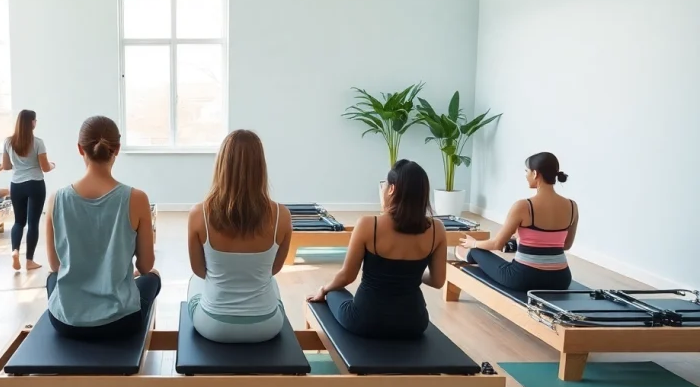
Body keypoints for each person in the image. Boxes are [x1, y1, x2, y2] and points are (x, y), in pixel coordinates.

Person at [43, 115, 160, 339]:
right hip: (119, 322)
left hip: (66, 322)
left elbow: (56, 266)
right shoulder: (137, 198)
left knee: (51, 278)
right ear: (117, 148)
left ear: (80, 149)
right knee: (153, 277)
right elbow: (145, 266)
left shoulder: (56, 199)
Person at [307, 160, 447, 339]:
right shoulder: (437, 229)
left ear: (392, 189)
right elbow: (437, 281)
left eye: (385, 185)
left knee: (333, 291)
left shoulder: (368, 224)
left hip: (365, 320)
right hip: (414, 322)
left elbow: (347, 276)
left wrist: (323, 289)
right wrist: (407, 274)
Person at [186, 130, 292, 344]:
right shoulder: (282, 215)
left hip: (213, 326)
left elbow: (199, 271)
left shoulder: (199, 214)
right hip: (266, 326)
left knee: (194, 284)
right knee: (272, 285)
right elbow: (274, 269)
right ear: (260, 167)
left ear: (221, 165)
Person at [456, 152, 577, 291]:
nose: (526, 176)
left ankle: (468, 255)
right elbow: (566, 245)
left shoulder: (524, 206)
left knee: (477, 251)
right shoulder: (572, 206)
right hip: (561, 279)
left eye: (527, 171)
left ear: (535, 174)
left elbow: (496, 244)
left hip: (524, 279)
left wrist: (474, 243)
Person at [2, 110, 55, 272]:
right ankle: (29, 261)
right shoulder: (38, 142)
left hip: (16, 184)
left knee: (18, 221)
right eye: (35, 120)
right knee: (33, 223)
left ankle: (15, 250)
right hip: (35, 184)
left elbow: (6, 166)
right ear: (32, 122)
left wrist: (18, 165)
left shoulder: (8, 142)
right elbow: (45, 168)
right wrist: (53, 165)